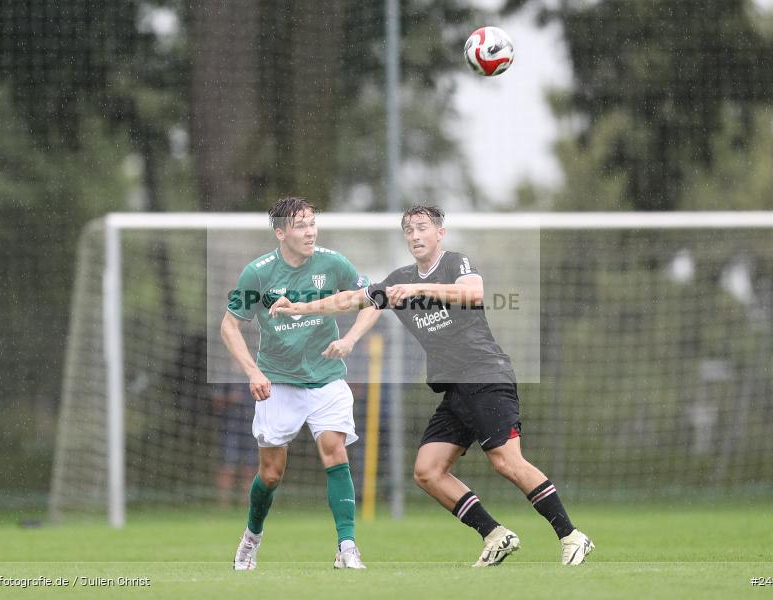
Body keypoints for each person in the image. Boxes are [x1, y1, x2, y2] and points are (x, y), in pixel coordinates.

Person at [269, 205, 594, 567]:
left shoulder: (455, 263)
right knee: (428, 470)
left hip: (485, 376)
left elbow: (473, 293)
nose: (415, 236)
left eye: (422, 228)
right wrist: (300, 308)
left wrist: (417, 288)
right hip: (455, 391)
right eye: (408, 230)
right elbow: (353, 299)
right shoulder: (399, 278)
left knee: (506, 461)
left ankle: (572, 536)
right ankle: (495, 535)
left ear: (439, 233)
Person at [220, 196, 381, 571]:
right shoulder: (258, 273)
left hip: (326, 379)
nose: (310, 231)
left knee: (334, 452)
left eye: (313, 223)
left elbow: (372, 299)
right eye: (301, 225)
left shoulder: (333, 262)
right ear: (281, 233)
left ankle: (347, 546)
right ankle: (251, 537)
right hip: (279, 383)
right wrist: (253, 373)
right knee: (271, 474)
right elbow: (230, 325)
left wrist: (350, 340)